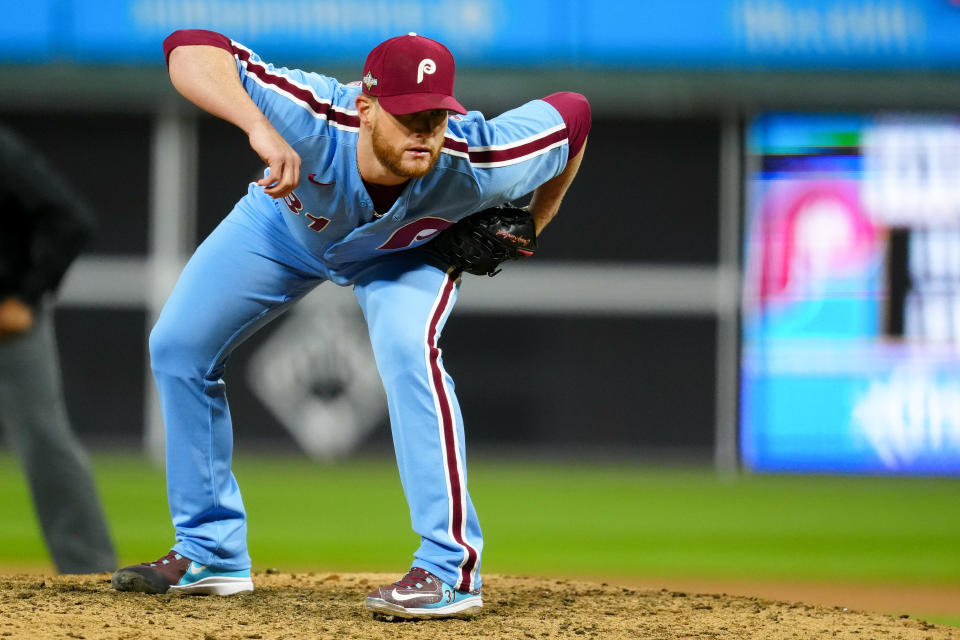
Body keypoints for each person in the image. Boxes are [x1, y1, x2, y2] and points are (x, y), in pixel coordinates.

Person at [110, 29, 589, 619]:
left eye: (437, 115)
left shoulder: (478, 160)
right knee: (178, 346)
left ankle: (449, 569)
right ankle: (211, 550)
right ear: (366, 109)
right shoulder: (311, 116)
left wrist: (537, 222)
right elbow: (189, 46)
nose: (426, 131)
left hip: (405, 254)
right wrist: (258, 128)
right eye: (409, 116)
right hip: (283, 227)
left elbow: (573, 117)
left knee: (407, 349)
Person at [0, 125, 117, 575]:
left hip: (7, 325)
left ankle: (88, 571)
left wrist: (26, 296)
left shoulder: (2, 154)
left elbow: (70, 218)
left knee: (45, 443)